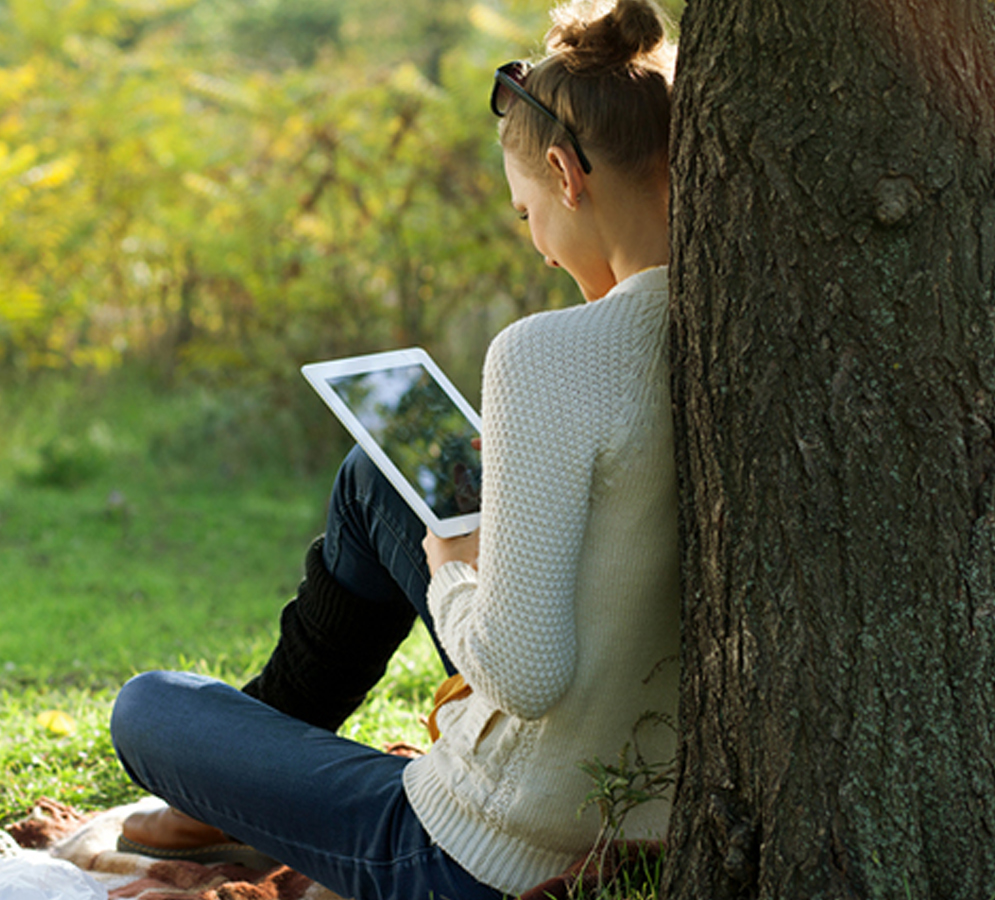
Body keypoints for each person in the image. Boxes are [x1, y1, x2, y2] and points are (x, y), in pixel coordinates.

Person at [108, 1, 679, 896]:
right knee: (381, 474)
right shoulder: (750, 337)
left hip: (481, 852)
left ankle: (244, 789)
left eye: (526, 212)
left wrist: (454, 569)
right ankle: (264, 748)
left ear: (566, 175)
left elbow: (527, 673)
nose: (536, 249)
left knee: (150, 707)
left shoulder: (546, 353)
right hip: (648, 773)